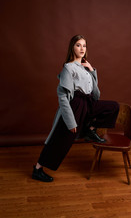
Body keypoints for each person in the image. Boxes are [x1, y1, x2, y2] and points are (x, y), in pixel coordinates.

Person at [32, 35, 119, 182]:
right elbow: (62, 96)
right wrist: (70, 121)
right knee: (61, 138)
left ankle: (90, 130)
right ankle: (38, 168)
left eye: (84, 46)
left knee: (113, 107)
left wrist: (92, 70)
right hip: (75, 106)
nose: (82, 48)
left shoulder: (85, 68)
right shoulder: (68, 67)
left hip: (89, 102)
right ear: (72, 47)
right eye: (78, 45)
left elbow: (96, 93)